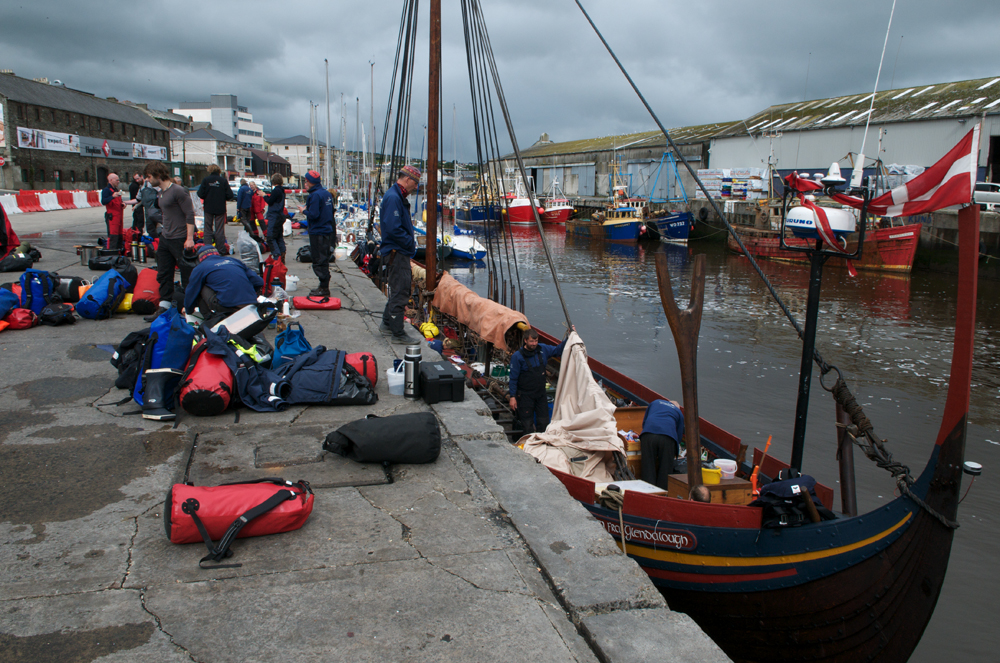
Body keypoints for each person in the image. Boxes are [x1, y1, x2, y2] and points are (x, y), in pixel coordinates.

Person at [143, 161, 195, 322]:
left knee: (187, 274)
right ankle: (164, 307)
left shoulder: (178, 191)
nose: (148, 180)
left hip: (180, 238)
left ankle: (189, 308)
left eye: (149, 176)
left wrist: (190, 238)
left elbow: (190, 214)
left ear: (158, 174)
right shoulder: (161, 193)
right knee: (164, 272)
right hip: (166, 237)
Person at [378, 166, 420, 343]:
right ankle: (398, 333)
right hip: (397, 252)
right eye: (415, 183)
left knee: (398, 288)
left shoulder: (395, 195)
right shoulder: (395, 198)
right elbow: (394, 228)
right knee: (400, 291)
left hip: (396, 251)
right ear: (408, 180)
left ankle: (387, 323)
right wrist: (410, 243)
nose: (415, 188)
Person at [508, 327, 573, 435]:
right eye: (531, 341)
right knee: (527, 424)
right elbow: (513, 379)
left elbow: (558, 350)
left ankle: (542, 445)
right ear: (525, 341)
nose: (534, 343)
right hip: (525, 396)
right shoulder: (517, 357)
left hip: (540, 394)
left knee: (544, 422)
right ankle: (528, 448)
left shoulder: (542, 349)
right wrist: (512, 397)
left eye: (536, 341)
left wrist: (569, 337)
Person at [183, 245, 263, 322]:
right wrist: (249, 295)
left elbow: (191, 291)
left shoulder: (201, 268)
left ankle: (210, 319)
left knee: (200, 286)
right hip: (251, 303)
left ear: (200, 258)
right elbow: (259, 281)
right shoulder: (234, 261)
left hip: (228, 305)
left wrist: (188, 310)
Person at [297, 170, 336, 297]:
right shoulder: (327, 194)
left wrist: (303, 211)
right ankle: (324, 286)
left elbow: (314, 215)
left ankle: (324, 287)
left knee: (318, 260)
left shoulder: (314, 196)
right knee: (324, 259)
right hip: (327, 231)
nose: (305, 184)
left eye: (306, 181)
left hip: (318, 231)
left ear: (310, 182)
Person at [639, 399, 685, 490]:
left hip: (648, 434)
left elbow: (645, 422)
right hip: (667, 437)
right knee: (665, 469)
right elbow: (679, 434)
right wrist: (674, 450)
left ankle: (647, 492)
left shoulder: (654, 402)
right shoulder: (678, 412)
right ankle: (662, 493)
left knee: (647, 466)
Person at [197, 164, 235, 254]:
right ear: (219, 171)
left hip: (208, 207)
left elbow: (200, 194)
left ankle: (207, 250)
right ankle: (221, 250)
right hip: (220, 208)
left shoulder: (206, 180)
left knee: (207, 229)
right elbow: (230, 195)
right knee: (219, 229)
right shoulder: (223, 181)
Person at [100, 173, 136, 252]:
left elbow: (117, 202)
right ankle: (112, 253)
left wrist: (122, 204)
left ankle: (119, 251)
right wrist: (112, 196)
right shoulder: (106, 190)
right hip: (112, 217)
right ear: (111, 180)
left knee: (119, 235)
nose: (118, 182)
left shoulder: (116, 190)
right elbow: (103, 201)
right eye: (117, 180)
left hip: (119, 216)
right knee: (113, 236)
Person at [264, 173, 286, 261]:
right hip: (280, 215)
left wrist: (264, 196)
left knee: (271, 237)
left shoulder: (276, 190)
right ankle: (282, 252)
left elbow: (270, 201)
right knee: (279, 236)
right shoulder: (282, 190)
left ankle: (277, 256)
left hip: (275, 216)